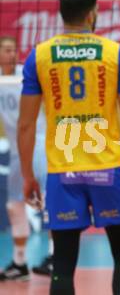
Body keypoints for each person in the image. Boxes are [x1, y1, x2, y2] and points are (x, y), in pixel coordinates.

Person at [17, 0, 120, 295]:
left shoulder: (40, 55)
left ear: (62, 15)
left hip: (63, 171)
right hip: (108, 168)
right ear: (92, 13)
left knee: (62, 262)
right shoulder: (114, 52)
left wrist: (27, 176)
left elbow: (25, 126)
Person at [0, 36, 52, 280]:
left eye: (13, 50)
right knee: (13, 205)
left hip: (39, 144)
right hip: (16, 149)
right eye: (6, 50)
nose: (11, 54)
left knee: (50, 200)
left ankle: (53, 256)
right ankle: (19, 263)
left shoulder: (27, 77)